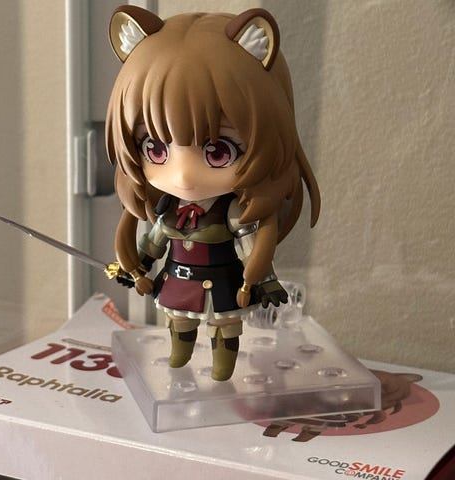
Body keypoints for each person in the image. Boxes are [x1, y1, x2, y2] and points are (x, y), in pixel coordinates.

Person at [105, 6, 320, 380]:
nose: (183, 176)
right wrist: (134, 266)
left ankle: (223, 365)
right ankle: (180, 355)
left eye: (219, 151)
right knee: (179, 322)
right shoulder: (167, 209)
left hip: (223, 282)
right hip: (178, 280)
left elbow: (250, 248)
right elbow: (153, 243)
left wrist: (261, 280)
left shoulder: (234, 213)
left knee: (225, 326)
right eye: (155, 149)